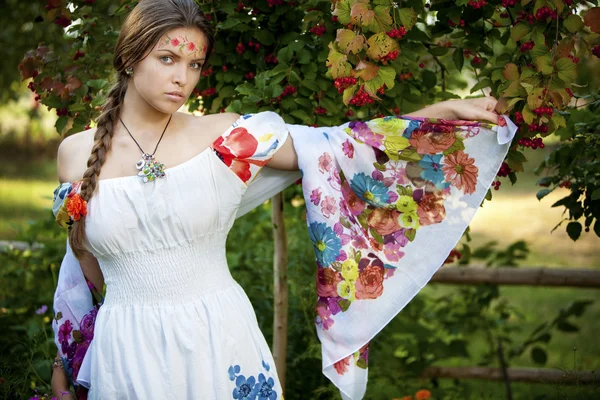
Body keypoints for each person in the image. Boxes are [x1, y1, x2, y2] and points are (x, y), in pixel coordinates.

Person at [50, 0, 516, 399]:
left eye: (194, 64)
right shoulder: (76, 154)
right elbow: (81, 266)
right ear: (130, 57)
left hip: (219, 340)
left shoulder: (227, 137)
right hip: (126, 351)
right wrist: (63, 364)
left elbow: (339, 147)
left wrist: (444, 113)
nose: (183, 78)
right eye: (168, 58)